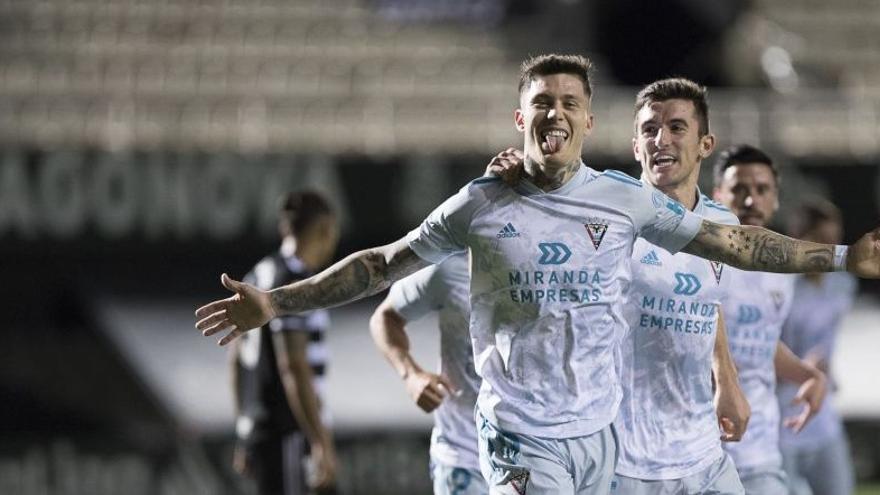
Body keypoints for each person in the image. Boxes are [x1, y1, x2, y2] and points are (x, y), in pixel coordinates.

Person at [197, 54, 880, 495]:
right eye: (542, 101)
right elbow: (380, 265)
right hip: (521, 435)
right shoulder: (480, 204)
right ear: (522, 118)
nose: (555, 111)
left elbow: (731, 244)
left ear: (587, 118)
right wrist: (277, 301)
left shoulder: (624, 200)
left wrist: (845, 257)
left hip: (606, 441)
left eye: (568, 100)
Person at [485, 78, 750, 494]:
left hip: (704, 456)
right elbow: (540, 216)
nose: (661, 139)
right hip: (626, 462)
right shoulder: (603, 217)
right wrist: (521, 181)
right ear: (635, 147)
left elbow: (707, 299)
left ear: (705, 144)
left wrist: (727, 377)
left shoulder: (723, 226)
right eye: (649, 130)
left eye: (677, 127)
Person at [713, 145, 829, 494]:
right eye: (740, 190)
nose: (751, 201)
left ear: (776, 199)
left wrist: (806, 373)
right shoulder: (697, 262)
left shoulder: (781, 272)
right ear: (718, 195)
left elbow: (762, 340)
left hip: (761, 451)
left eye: (762, 190)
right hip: (700, 453)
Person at [230, 191, 339, 495]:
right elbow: (292, 365)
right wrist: (319, 440)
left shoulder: (258, 273)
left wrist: (244, 429)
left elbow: (236, 359)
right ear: (325, 229)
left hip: (263, 429)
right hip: (288, 430)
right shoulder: (293, 280)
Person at [370, 253, 488, 495]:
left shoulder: (557, 267)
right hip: (464, 456)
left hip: (540, 454)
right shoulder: (450, 269)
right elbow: (384, 318)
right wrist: (411, 375)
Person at [778, 199, 857, 495]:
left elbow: (827, 340)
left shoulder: (842, 285)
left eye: (835, 240)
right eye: (822, 240)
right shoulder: (780, 285)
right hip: (780, 417)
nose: (831, 249)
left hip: (823, 415)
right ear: (799, 237)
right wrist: (799, 366)